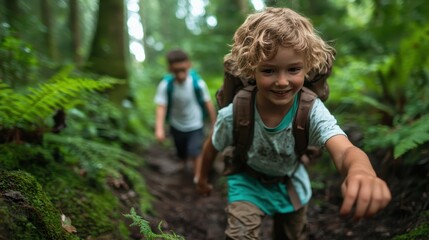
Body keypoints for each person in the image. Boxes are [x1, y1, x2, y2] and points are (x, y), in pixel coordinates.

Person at [195, 7, 391, 240]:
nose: (281, 81)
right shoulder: (236, 112)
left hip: (291, 184)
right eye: (268, 70)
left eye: (293, 69)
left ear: (307, 66)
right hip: (247, 182)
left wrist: (362, 171)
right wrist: (202, 176)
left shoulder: (310, 111)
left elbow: (344, 150)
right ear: (251, 69)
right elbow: (212, 145)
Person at [154, 49, 216, 179]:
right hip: (176, 124)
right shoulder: (166, 85)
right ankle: (183, 163)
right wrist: (159, 129)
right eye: (177, 71)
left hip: (195, 124)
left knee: (195, 150)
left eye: (183, 69)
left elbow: (208, 103)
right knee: (180, 150)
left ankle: (198, 177)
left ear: (189, 65)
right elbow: (161, 107)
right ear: (170, 69)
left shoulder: (198, 83)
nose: (181, 74)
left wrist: (214, 123)